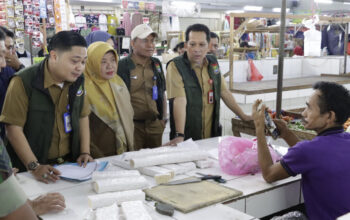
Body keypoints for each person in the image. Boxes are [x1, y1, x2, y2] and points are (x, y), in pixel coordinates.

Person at [0, 31, 93, 183]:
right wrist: (34, 166)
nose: (79, 68)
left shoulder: (78, 81)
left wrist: (84, 151)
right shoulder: (24, 82)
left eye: (83, 62)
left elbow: (83, 115)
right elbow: (13, 128)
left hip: (70, 165)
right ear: (54, 56)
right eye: (74, 61)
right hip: (33, 169)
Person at [252, 81, 350, 220]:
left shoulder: (309, 151)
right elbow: (310, 155)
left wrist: (259, 129)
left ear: (329, 116)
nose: (304, 113)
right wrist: (286, 133)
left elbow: (269, 174)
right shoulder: (345, 140)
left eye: (309, 108)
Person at [166, 24, 251, 145]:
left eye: (201, 45)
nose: (197, 49)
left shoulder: (213, 63)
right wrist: (180, 135)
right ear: (186, 45)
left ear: (208, 46)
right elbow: (179, 100)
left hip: (212, 134)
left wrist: (243, 116)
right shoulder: (175, 66)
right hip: (188, 135)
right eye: (192, 44)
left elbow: (224, 92)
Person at [118, 24, 167, 150]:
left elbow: (162, 92)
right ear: (133, 43)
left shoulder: (156, 64)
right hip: (133, 126)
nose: (150, 45)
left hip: (155, 125)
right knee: (133, 163)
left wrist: (163, 119)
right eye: (145, 41)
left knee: (156, 163)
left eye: (152, 41)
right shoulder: (122, 66)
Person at [84, 42, 134, 158]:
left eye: (113, 60)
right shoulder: (83, 88)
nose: (110, 66)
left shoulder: (118, 82)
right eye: (103, 61)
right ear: (92, 62)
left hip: (124, 150)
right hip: (97, 154)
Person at [0, 27, 25, 139]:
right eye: (6, 47)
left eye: (11, 48)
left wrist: (20, 67)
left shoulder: (10, 67)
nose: (10, 52)